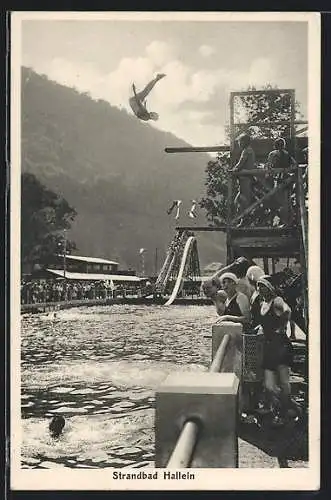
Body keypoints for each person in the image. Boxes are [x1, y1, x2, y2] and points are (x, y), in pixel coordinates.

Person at [256, 275, 299, 425]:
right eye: (259, 285)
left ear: (270, 287)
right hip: (269, 346)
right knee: (269, 385)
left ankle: (282, 412)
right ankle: (290, 406)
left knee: (284, 382)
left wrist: (282, 326)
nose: (261, 288)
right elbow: (265, 321)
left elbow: (288, 311)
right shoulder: (262, 303)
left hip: (281, 345)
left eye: (264, 286)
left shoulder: (277, 300)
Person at [265, 137, 296, 226]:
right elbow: (294, 165)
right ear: (284, 145)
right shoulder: (288, 154)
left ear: (275, 145)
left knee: (278, 202)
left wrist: (268, 174)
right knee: (287, 201)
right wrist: (287, 170)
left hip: (278, 180)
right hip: (287, 179)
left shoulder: (272, 154)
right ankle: (287, 222)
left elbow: (269, 166)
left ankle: (281, 222)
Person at [231, 133, 256, 224]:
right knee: (239, 200)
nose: (239, 143)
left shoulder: (246, 151)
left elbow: (241, 163)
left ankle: (243, 220)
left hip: (245, 178)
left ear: (244, 142)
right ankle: (242, 219)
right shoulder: (249, 150)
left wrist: (234, 170)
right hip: (245, 178)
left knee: (243, 200)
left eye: (240, 142)